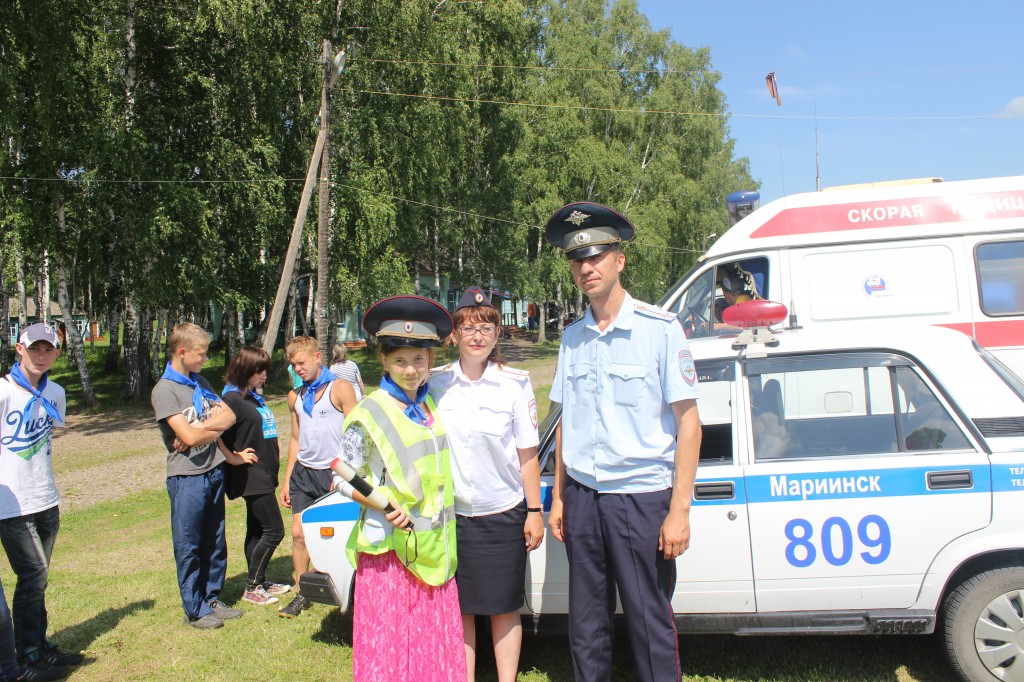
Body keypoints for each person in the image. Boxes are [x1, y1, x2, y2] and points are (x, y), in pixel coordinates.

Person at [545, 202, 702, 682]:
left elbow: (690, 425)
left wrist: (679, 511)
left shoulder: (660, 330)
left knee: (648, 622)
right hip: (584, 498)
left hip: (640, 497)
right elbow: (568, 422)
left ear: (619, 260)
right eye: (577, 260)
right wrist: (558, 498)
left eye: (596, 256)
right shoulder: (572, 339)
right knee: (586, 625)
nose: (586, 268)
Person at [335, 295, 465, 681]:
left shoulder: (428, 407)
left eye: (419, 360)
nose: (411, 370)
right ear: (384, 361)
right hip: (389, 552)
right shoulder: (369, 412)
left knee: (430, 650)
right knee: (391, 649)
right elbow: (341, 478)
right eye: (400, 361)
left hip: (434, 551)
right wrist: (380, 504)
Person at [428, 287, 543, 682]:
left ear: (497, 334)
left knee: (504, 605)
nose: (477, 335)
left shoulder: (515, 383)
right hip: (453, 516)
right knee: (460, 608)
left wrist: (534, 511)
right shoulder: (435, 384)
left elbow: (528, 453)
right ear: (454, 334)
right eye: (468, 326)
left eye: (486, 326)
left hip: (503, 511)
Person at [152, 322, 251, 630]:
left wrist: (197, 430)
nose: (204, 360)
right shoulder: (165, 390)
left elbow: (230, 415)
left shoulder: (202, 383)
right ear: (182, 352)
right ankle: (194, 608)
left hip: (213, 471)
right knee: (190, 543)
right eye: (200, 354)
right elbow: (188, 439)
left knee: (214, 540)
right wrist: (201, 430)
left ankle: (211, 598)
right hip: (187, 476)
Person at [0, 323, 83, 680]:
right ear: (19, 349)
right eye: (35, 348)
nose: (41, 355)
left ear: (57, 354)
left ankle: (38, 644)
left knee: (38, 579)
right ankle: (28, 655)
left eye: (48, 349)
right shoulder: (3, 392)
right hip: (11, 504)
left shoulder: (56, 393)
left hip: (45, 498)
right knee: (34, 573)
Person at [277, 336, 357, 618]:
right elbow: (295, 439)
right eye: (293, 365)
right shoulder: (295, 397)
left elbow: (357, 433)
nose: (298, 368)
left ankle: (345, 586)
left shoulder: (340, 388)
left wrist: (351, 473)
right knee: (298, 534)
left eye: (301, 362)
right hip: (303, 473)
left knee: (338, 536)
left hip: (333, 475)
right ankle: (302, 592)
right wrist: (287, 479)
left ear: (317, 357)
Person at [218, 346, 290, 606]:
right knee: (274, 531)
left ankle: (259, 580)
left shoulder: (250, 398)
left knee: (257, 530)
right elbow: (215, 435)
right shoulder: (231, 400)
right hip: (251, 476)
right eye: (260, 372)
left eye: (265, 372)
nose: (264, 377)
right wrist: (234, 457)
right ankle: (252, 586)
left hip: (264, 473)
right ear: (246, 370)